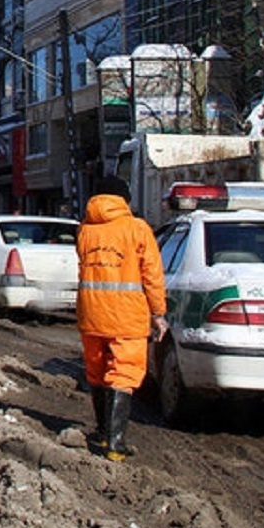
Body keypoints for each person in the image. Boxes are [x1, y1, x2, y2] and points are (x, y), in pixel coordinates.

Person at [75, 175, 168, 462]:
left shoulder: (86, 230)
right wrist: (158, 313)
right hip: (126, 314)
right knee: (123, 372)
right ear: (124, 199)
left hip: (91, 313)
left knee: (97, 370)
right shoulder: (137, 229)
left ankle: (103, 431)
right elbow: (151, 275)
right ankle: (115, 443)